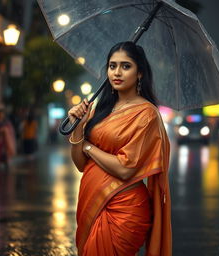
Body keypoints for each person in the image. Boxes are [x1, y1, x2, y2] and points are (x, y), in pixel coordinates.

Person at [68, 41, 172, 256]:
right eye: (112, 65)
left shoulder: (147, 114)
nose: (117, 72)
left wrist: (88, 147)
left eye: (126, 66)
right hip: (91, 201)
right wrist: (78, 126)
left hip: (125, 209)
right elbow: (80, 165)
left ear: (140, 73)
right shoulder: (100, 110)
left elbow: (125, 168)